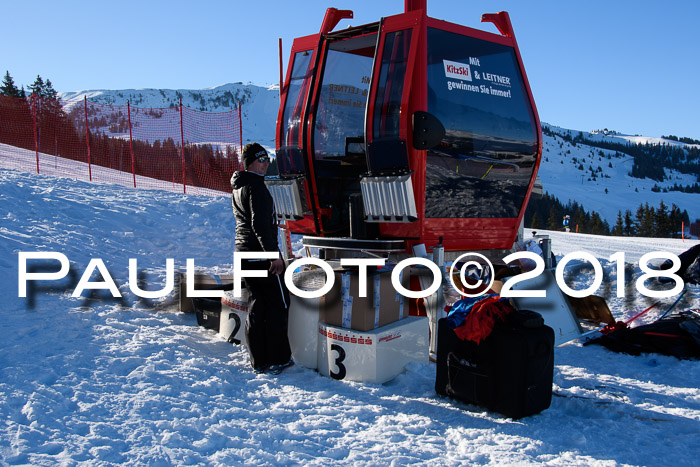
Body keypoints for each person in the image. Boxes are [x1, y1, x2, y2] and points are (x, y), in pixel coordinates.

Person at [231, 143, 293, 375]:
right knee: (279, 304)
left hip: (244, 254)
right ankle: (278, 359)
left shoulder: (238, 186)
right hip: (260, 255)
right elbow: (259, 225)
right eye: (261, 159)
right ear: (250, 162)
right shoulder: (256, 187)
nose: (266, 163)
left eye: (267, 159)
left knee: (257, 306)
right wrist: (272, 255)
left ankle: (259, 361)